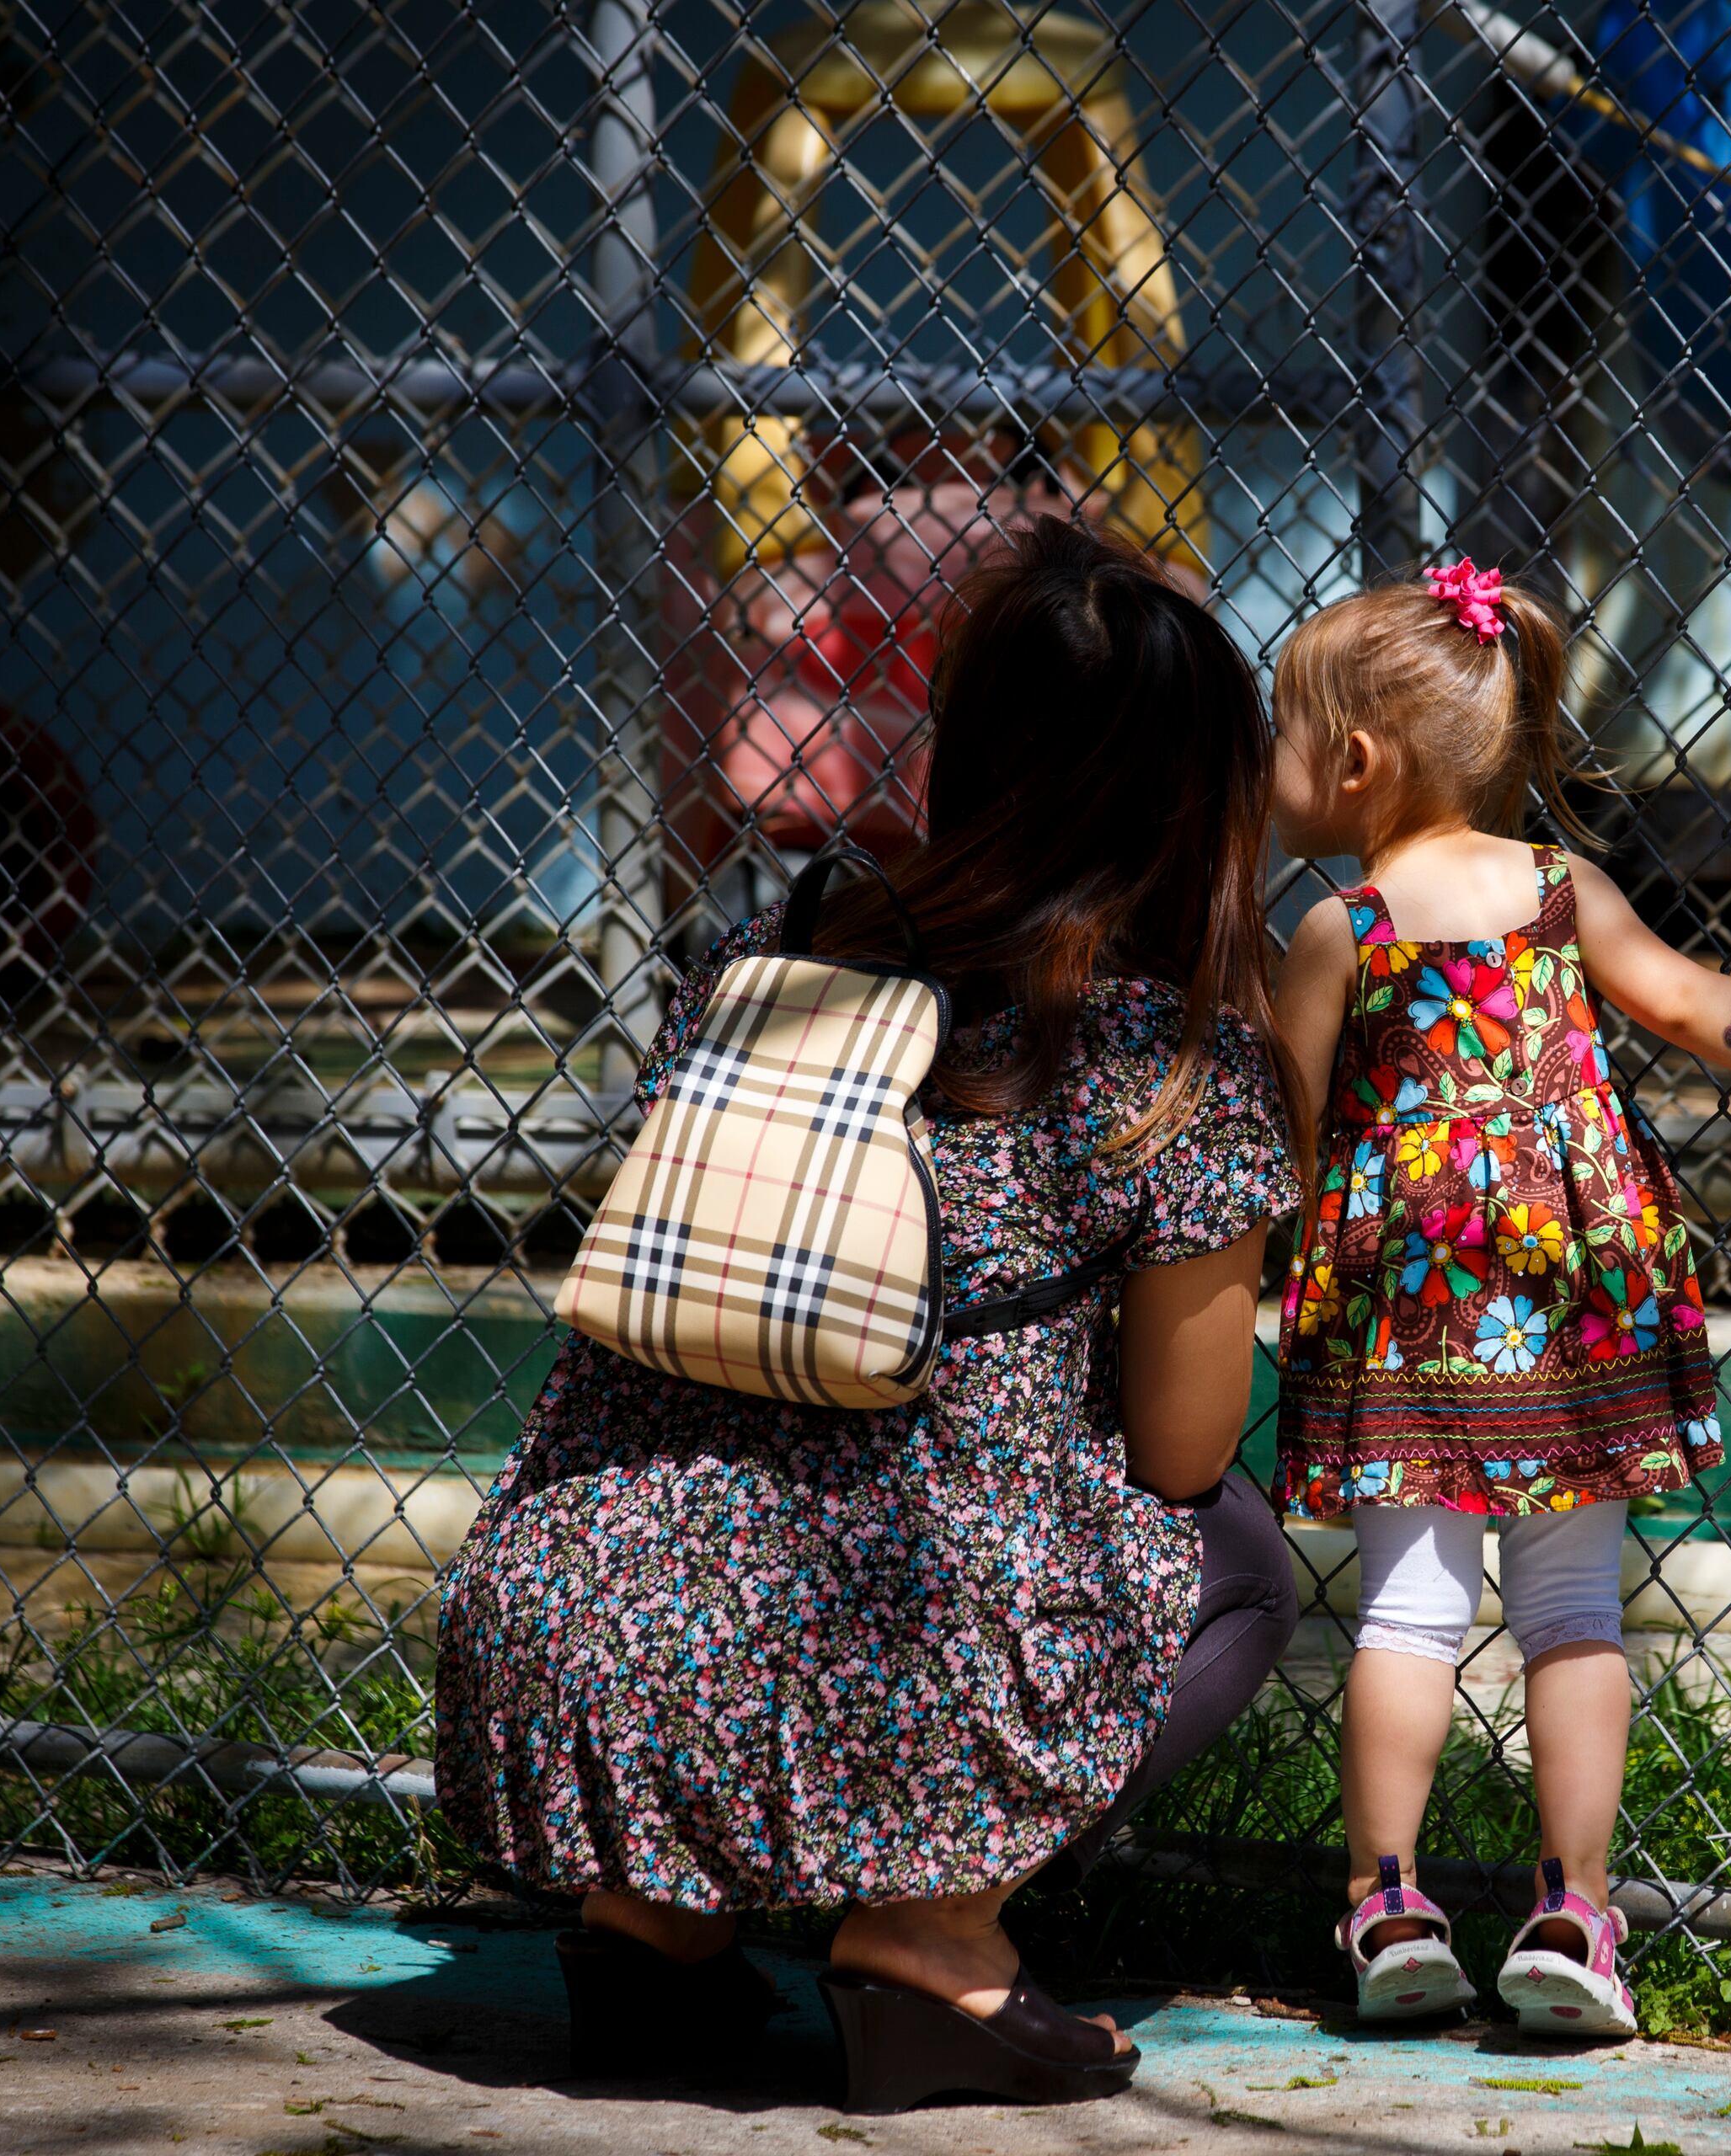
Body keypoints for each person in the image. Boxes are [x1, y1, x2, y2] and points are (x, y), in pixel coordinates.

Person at [433, 518, 1298, 2110]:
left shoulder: (777, 964)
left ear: (967, 748)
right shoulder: (1169, 1066)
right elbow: (1180, 1453)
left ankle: (651, 1929)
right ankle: (930, 1936)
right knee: (1237, 1559)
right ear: (1198, 800)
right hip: (879, 1657)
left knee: (753, 1473)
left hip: (563, 1617)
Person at [1265, 558, 1731, 2036]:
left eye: (1281, 733)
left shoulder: (1338, 925)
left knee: (1406, 1615)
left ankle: (1389, 1908)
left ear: (1352, 761)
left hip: (1415, 1313)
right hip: (1577, 1295)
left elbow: (1279, 1129)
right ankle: (1573, 1919)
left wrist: (1282, 1258)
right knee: (1575, 1608)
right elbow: (1703, 1012)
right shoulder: (1559, 889)